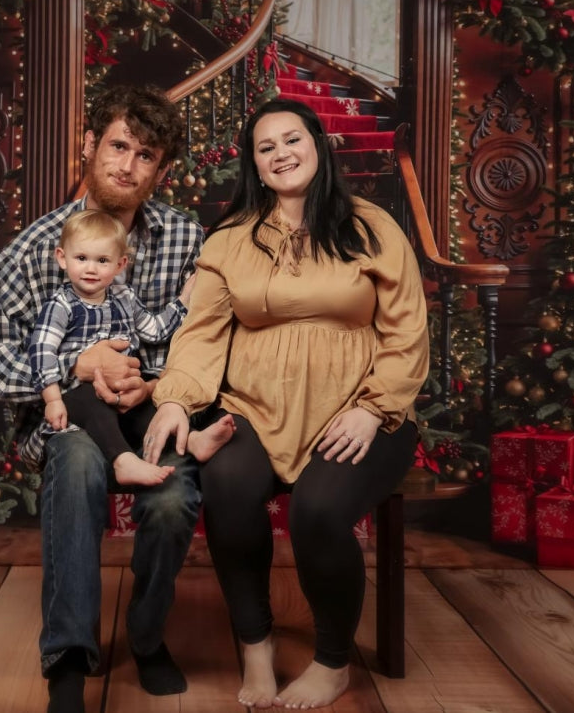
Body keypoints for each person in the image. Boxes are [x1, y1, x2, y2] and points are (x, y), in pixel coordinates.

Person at [145, 98, 429, 709]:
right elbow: (202, 335)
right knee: (227, 485)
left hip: (359, 409)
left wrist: (373, 408)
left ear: (320, 144)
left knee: (319, 513)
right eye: (265, 147)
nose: (281, 154)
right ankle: (255, 644)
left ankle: (332, 661)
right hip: (253, 406)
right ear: (255, 164)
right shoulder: (231, 239)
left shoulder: (374, 227)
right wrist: (174, 399)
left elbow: (407, 333)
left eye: (291, 139)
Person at [0, 84, 210, 713]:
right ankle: (69, 659)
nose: (127, 166)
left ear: (163, 170)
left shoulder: (187, 239)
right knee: (74, 466)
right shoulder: (35, 247)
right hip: (68, 415)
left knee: (175, 495)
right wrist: (76, 363)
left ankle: (148, 635)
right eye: (118, 146)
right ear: (89, 145)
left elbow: (206, 337)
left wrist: (154, 381)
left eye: (146, 155)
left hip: (155, 410)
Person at [28, 208, 197, 486]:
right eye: (81, 258)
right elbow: (41, 353)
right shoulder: (61, 306)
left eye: (102, 260)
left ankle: (192, 440)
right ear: (62, 258)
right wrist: (53, 400)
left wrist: (183, 301)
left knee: (149, 412)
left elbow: (154, 330)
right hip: (77, 396)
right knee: (94, 404)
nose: (91, 268)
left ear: (120, 265)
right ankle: (123, 461)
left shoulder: (124, 298)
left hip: (122, 396)